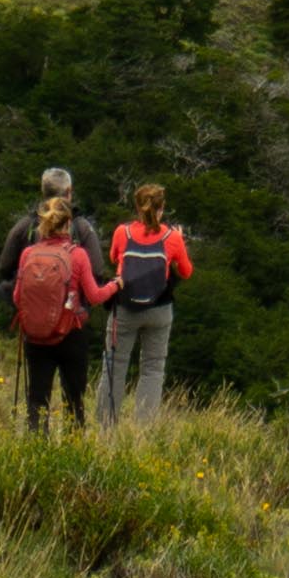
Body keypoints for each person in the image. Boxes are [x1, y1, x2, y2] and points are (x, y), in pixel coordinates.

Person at [0, 168, 103, 431]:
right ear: (69, 192)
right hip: (73, 324)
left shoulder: (26, 227)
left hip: (35, 326)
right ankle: (74, 454)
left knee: (37, 399)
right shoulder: (81, 227)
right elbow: (97, 271)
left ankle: (36, 448)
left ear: (43, 192)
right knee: (74, 398)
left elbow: (4, 267)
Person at [94, 180, 200, 427]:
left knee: (114, 365)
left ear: (137, 207)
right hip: (159, 309)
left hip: (125, 308)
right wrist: (179, 242)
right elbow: (186, 272)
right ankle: (143, 432)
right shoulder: (172, 237)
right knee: (152, 369)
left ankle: (105, 430)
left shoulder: (123, 232)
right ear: (162, 209)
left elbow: (113, 256)